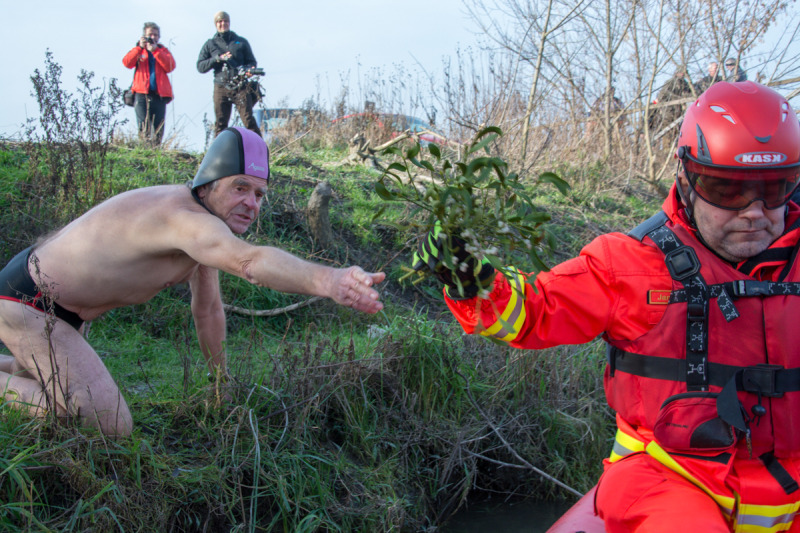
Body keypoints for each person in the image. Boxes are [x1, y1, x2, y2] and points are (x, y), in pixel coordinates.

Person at [415, 81, 800, 532]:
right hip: (670, 477)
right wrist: (468, 279)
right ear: (687, 179)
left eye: (775, 189)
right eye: (729, 191)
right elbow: (536, 311)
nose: (755, 212)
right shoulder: (631, 264)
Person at [0, 127, 385, 438]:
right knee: (107, 425)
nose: (252, 203)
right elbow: (250, 261)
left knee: (31, 380)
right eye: (239, 188)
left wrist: (221, 384)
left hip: (59, 310)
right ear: (208, 185)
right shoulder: (184, 218)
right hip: (29, 301)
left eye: (259, 194)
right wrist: (330, 280)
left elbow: (209, 310)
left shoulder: (205, 233)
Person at [196, 11, 261, 137]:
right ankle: (217, 155)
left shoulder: (241, 42)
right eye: (220, 21)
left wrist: (249, 71)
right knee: (221, 123)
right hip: (221, 87)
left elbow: (252, 62)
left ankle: (261, 150)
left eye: (225, 21)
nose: (223, 24)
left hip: (240, 85)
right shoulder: (210, 44)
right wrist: (217, 59)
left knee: (248, 120)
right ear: (216, 24)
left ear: (229, 23)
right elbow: (200, 66)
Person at [122, 22, 176, 146]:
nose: (153, 37)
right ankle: (145, 149)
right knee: (143, 125)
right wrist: (139, 48)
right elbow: (127, 63)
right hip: (141, 93)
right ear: (144, 36)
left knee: (158, 126)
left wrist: (155, 51)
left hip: (159, 94)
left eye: (155, 35)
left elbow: (170, 66)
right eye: (150, 34)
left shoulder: (162, 50)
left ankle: (156, 150)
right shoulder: (138, 50)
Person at [648, 67, 693, 135]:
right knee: (668, 131)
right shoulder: (670, 82)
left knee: (678, 131)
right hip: (668, 110)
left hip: (679, 112)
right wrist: (678, 98)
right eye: (681, 72)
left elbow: (689, 93)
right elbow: (663, 94)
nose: (682, 74)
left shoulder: (684, 84)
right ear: (677, 73)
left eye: (684, 73)